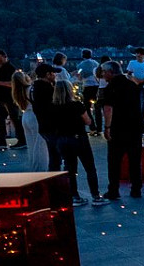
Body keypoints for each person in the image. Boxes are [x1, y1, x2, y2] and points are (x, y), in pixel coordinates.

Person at [33, 63, 103, 204]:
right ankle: (95, 195)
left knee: (69, 167)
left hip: (60, 136)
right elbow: (88, 121)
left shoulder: (46, 100)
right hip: (77, 137)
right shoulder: (75, 105)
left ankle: (73, 196)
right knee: (89, 166)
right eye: (52, 73)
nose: (54, 75)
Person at [75, 50, 102, 134]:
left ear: (82, 55)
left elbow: (79, 77)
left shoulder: (80, 65)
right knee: (97, 108)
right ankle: (99, 128)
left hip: (87, 87)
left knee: (87, 108)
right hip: (97, 87)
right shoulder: (96, 63)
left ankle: (92, 127)